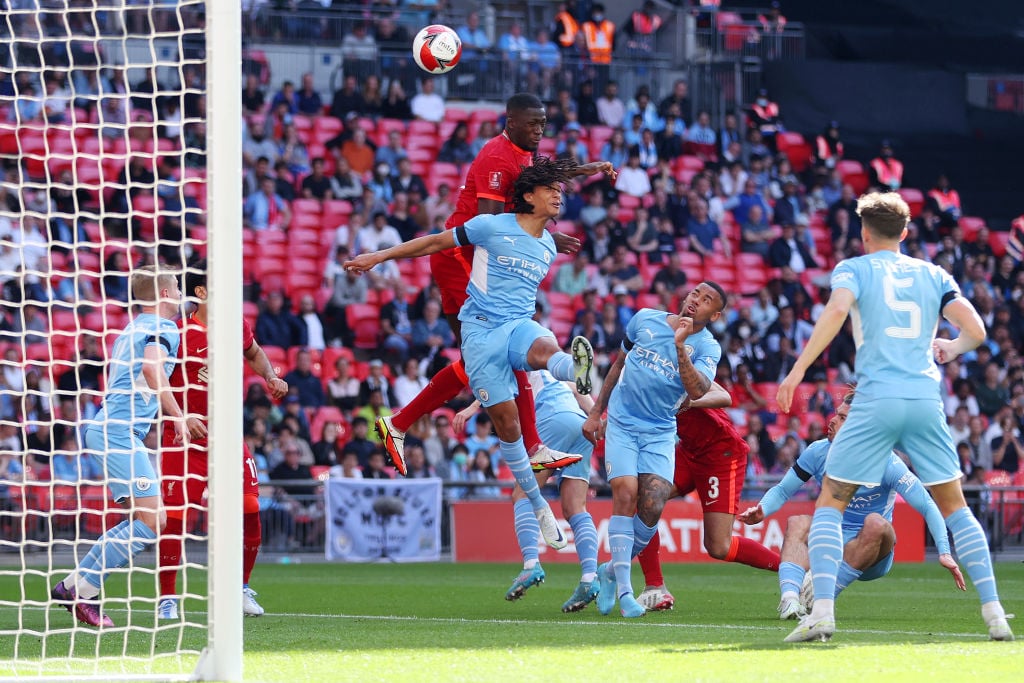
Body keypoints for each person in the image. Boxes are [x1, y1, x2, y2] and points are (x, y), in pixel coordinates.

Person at [776, 191, 1013, 643]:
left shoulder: (854, 268)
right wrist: (952, 347)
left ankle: (822, 612)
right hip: (925, 400)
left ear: (864, 233)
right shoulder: (933, 273)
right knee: (957, 508)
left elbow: (837, 310)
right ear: (905, 233)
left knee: (829, 502)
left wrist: (798, 369)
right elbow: (977, 329)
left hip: (875, 398)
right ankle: (995, 615)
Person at [344, 156, 599, 550]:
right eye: (550, 190)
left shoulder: (548, 243)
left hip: (518, 325)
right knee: (509, 427)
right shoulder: (490, 226)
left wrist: (585, 171)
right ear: (528, 195)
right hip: (480, 333)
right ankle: (539, 506)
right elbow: (433, 243)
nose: (557, 196)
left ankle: (573, 366)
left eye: (559, 190)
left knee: (544, 346)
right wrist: (378, 257)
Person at [369, 94, 614, 478]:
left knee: (475, 360)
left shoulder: (522, 151)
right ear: (510, 121)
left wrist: (584, 171)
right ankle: (534, 446)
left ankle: (397, 424)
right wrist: (546, 233)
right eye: (532, 124)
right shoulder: (496, 158)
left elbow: (538, 179)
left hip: (455, 259)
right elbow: (494, 227)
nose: (539, 131)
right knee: (507, 341)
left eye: (543, 124)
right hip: (463, 258)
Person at [51, 267, 196, 627]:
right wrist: (177, 415)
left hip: (112, 429)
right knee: (152, 520)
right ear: (164, 294)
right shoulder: (163, 328)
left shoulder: (132, 328)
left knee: (149, 518)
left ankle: (75, 586)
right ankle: (82, 590)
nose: (180, 293)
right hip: (117, 432)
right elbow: (151, 368)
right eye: (176, 287)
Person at [739, 393, 963, 620]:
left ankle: (821, 598)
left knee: (875, 523)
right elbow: (783, 489)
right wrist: (762, 509)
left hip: (872, 553)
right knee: (797, 522)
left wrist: (944, 552)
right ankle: (790, 601)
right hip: (831, 539)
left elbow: (927, 505)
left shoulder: (887, 462)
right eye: (836, 414)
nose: (832, 421)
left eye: (843, 418)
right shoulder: (818, 452)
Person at [582, 282, 726, 618]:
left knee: (653, 503)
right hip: (621, 422)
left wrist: (679, 346)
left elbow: (697, 389)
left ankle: (610, 570)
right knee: (625, 491)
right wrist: (595, 412)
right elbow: (618, 364)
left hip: (660, 432)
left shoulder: (707, 348)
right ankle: (626, 592)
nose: (695, 301)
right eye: (694, 293)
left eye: (706, 301)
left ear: (715, 315)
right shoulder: (644, 319)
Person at [156, 260, 289, 621]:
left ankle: (240, 587)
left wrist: (270, 376)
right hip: (183, 438)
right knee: (176, 519)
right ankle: (167, 597)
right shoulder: (176, 332)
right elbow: (155, 380)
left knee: (249, 509)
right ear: (200, 292)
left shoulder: (235, 325)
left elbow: (255, 352)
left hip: (229, 436)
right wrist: (181, 416)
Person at [456, 369, 602, 611]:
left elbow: (496, 382)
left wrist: (471, 409)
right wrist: (598, 419)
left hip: (551, 420)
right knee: (576, 507)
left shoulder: (524, 362)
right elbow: (580, 392)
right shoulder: (555, 371)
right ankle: (589, 578)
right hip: (581, 425)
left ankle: (530, 565)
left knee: (521, 494)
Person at [635, 382, 781, 611]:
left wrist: (689, 401)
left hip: (720, 454)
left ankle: (792, 570)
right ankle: (655, 588)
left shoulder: (682, 369)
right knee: (644, 501)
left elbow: (724, 397)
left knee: (719, 546)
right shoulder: (642, 373)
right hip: (688, 451)